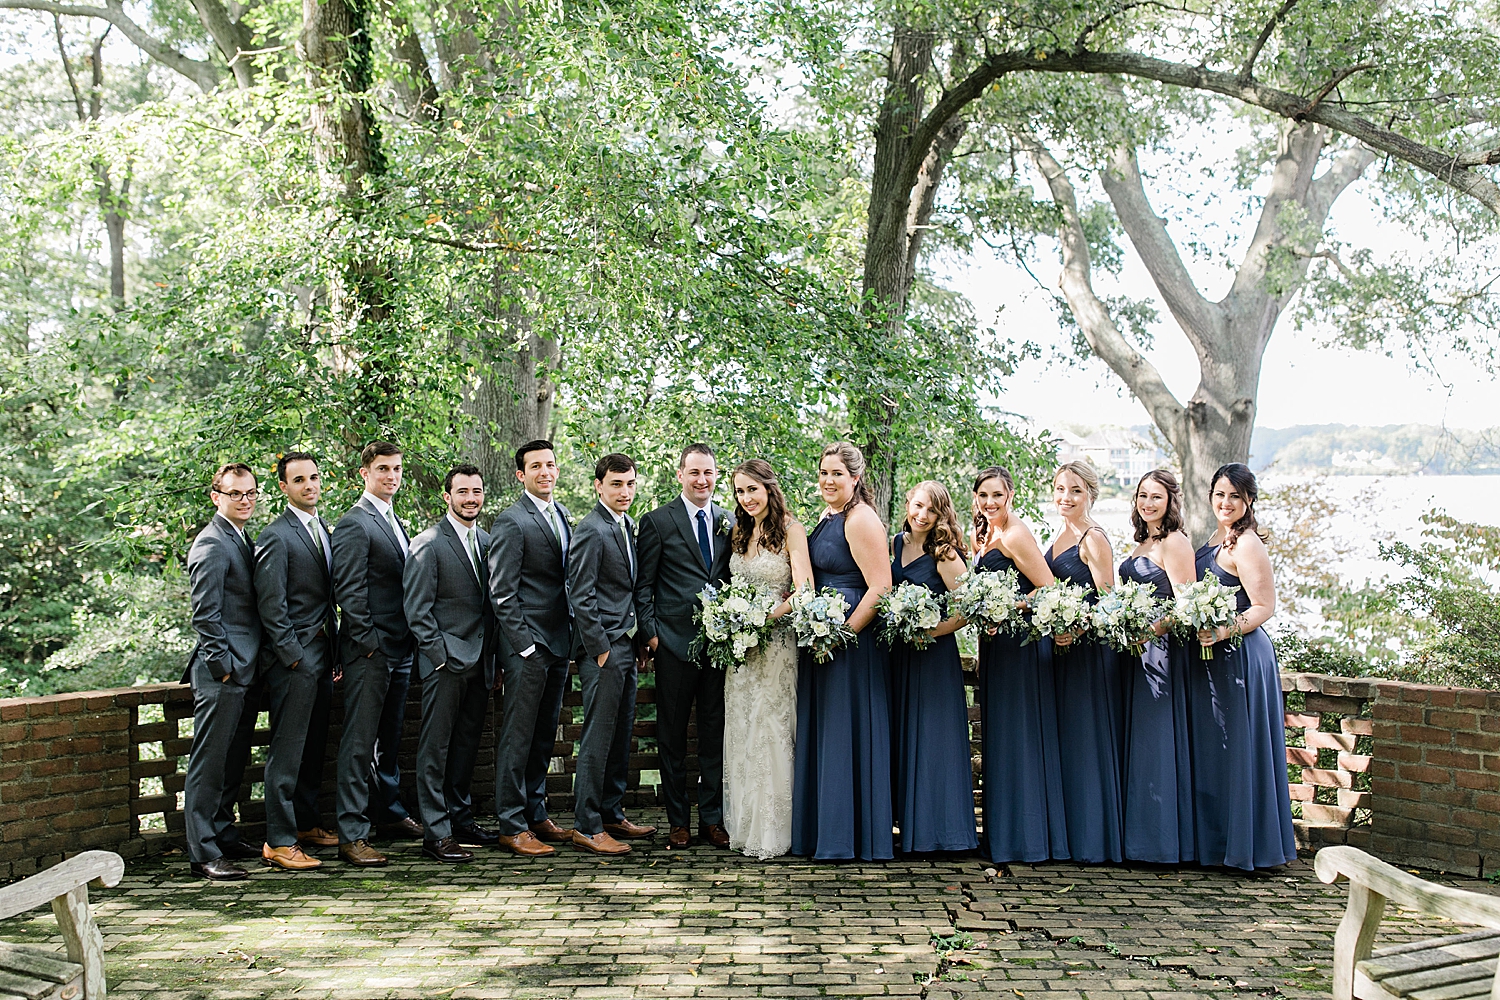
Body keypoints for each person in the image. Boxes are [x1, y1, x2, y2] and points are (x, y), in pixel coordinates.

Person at [1189, 463, 1297, 870]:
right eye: (1219, 494)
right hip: (1211, 657)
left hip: (1240, 655)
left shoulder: (1247, 543)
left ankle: (1247, 847)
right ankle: (1217, 842)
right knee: (1216, 748)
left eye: (1234, 495)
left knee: (1239, 748)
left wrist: (1222, 632)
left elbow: (1264, 606)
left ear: (1248, 499)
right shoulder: (1215, 539)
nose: (1226, 502)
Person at [790, 442, 894, 861]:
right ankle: (826, 831)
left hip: (850, 642)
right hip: (822, 634)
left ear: (855, 478)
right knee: (827, 731)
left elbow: (881, 586)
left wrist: (843, 634)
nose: (828, 481)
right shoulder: (829, 515)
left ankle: (850, 836)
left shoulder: (861, 519)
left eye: (837, 474)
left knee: (845, 731)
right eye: (823, 473)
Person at [634, 443, 733, 849]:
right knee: (672, 737)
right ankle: (678, 821)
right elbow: (644, 586)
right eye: (694, 473)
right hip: (673, 646)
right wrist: (652, 636)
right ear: (680, 475)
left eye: (708, 472)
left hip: (720, 647)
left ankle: (712, 820)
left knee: (714, 736)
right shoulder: (657, 521)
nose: (702, 480)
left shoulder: (729, 520)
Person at [969, 466, 1065, 863]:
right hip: (996, 647)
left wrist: (1007, 605)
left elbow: (1048, 590)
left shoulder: (1015, 533)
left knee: (1019, 735)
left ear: (1010, 494)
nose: (990, 502)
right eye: (983, 495)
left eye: (997, 495)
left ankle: (1025, 839)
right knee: (1001, 735)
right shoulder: (983, 533)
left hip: (1021, 646)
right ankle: (1002, 835)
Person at [404, 464, 497, 864]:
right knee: (435, 748)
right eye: (462, 492)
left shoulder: (489, 543)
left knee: (465, 747)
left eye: (476, 491)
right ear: (447, 497)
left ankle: (461, 819)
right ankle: (436, 833)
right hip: (445, 664)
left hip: (481, 664)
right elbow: (416, 610)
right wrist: (440, 657)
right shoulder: (428, 543)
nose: (471, 498)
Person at [488, 440, 576, 858]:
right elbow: (502, 593)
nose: (545, 471)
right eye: (536, 466)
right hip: (528, 647)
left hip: (559, 642)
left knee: (544, 736)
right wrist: (523, 647)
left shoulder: (562, 515)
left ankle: (536, 813)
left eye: (551, 464)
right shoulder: (511, 521)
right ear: (521, 475)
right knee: (518, 737)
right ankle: (511, 824)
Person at [331, 441, 418, 867]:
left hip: (400, 649)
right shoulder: (354, 523)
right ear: (364, 473)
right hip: (371, 652)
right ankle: (352, 833)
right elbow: (349, 593)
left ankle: (390, 813)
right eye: (382, 469)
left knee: (388, 741)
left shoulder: (393, 519)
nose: (391, 476)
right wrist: (371, 646)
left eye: (397, 469)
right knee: (360, 742)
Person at [721, 459, 812, 860]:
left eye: (752, 489)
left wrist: (762, 618)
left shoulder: (792, 530)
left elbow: (805, 590)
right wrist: (732, 621)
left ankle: (777, 830)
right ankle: (744, 825)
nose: (746, 498)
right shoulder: (740, 530)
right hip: (742, 652)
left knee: (772, 728)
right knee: (742, 729)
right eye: (740, 491)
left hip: (775, 645)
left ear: (769, 489)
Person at [252, 452, 338, 872]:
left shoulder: (322, 527)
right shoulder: (276, 535)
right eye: (299, 480)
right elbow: (272, 606)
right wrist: (294, 657)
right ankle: (279, 841)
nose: (309, 485)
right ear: (284, 487)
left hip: (323, 656)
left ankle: (305, 825)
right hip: (295, 660)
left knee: (312, 746)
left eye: (314, 478)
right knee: (286, 751)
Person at [567, 453, 655, 855]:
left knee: (621, 735)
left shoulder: (626, 525)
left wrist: (636, 642)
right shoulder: (591, 529)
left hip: (625, 644)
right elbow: (579, 594)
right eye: (616, 484)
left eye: (630, 484)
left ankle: (611, 812)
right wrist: (600, 648)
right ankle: (586, 825)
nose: (625, 491)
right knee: (598, 738)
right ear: (598, 486)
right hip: (602, 648)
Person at [182, 462, 264, 880]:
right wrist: (224, 668)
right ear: (217, 497)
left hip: (246, 669)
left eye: (251, 493)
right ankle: (203, 853)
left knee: (233, 759)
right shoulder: (211, 543)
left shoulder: (242, 538)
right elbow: (206, 615)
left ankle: (224, 834)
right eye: (236, 494)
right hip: (222, 673)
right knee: (209, 763)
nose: (246, 500)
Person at [888, 481, 977, 854]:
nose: (922, 516)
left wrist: (931, 631)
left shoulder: (945, 553)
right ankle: (905, 825)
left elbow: (968, 607)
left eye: (932, 511)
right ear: (908, 503)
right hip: (898, 656)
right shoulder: (894, 543)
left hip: (933, 654)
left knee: (933, 737)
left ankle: (939, 832)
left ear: (942, 516)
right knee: (903, 733)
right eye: (918, 506)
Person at [1044, 460, 1125, 863]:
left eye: (1075, 490)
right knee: (1065, 739)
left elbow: (1109, 600)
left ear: (1090, 493)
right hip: (1060, 652)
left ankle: (1093, 840)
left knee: (1086, 739)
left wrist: (1076, 628)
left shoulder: (1093, 538)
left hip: (1089, 651)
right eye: (1060, 489)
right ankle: (1068, 834)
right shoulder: (1058, 534)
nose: (1066, 497)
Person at [1119, 469, 1197, 864]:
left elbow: (1187, 605)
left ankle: (1160, 842)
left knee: (1156, 740)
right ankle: (1138, 836)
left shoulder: (1175, 542)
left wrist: (1149, 631)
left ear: (1171, 502)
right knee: (1138, 740)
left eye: (1157, 497)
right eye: (1143, 496)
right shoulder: (1143, 541)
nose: (1148, 504)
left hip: (1159, 652)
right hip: (1133, 651)